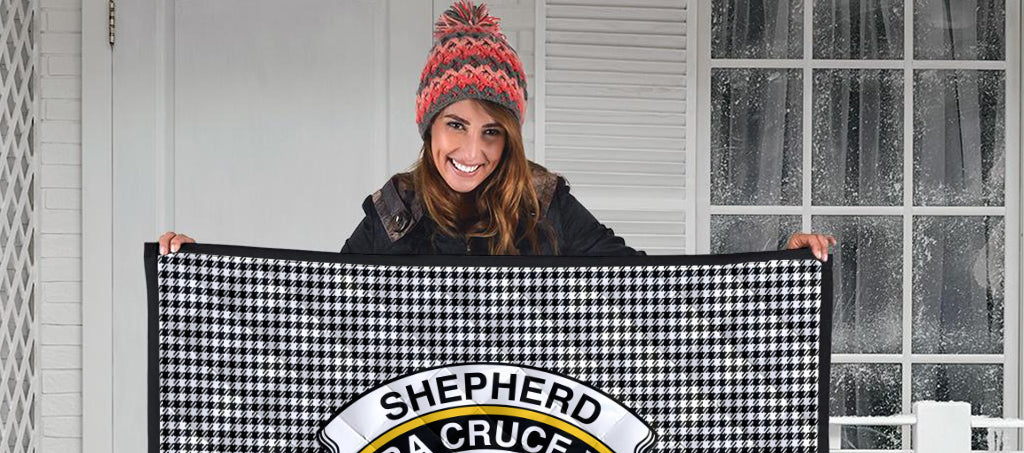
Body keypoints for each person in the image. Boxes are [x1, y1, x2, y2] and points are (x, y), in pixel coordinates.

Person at [159, 1, 835, 262]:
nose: (472, 151)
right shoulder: (394, 211)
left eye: (492, 133)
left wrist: (778, 267)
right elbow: (317, 311)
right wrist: (200, 273)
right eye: (456, 126)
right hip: (422, 443)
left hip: (527, 436)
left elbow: (649, 287)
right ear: (429, 126)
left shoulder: (545, 203)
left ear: (511, 137)